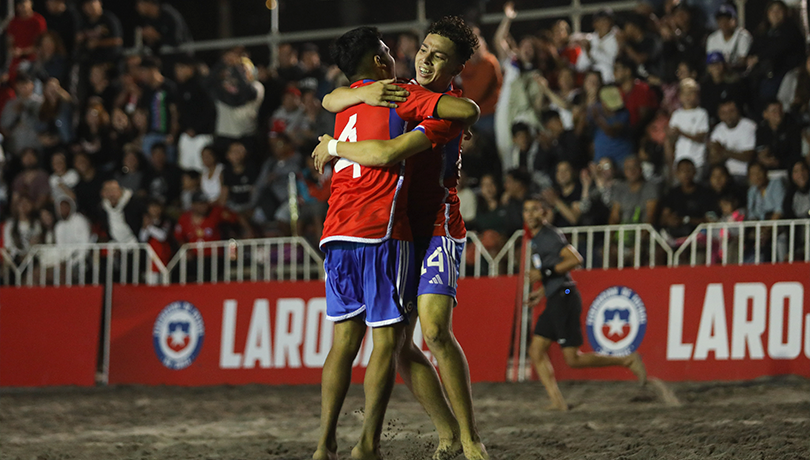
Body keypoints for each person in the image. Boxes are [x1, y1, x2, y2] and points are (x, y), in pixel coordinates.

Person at [308, 25, 481, 460]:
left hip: (436, 225)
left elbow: (464, 113)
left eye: (438, 56)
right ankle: (446, 435)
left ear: (457, 67)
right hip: (397, 227)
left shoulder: (442, 109)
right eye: (423, 49)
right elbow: (331, 97)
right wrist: (358, 95)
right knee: (398, 345)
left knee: (435, 331)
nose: (425, 59)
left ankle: (469, 437)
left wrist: (334, 144)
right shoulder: (398, 91)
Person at [523, 195, 646, 411]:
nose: (530, 214)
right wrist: (542, 291)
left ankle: (626, 360)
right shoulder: (537, 239)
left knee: (573, 359)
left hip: (566, 296)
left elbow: (576, 259)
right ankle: (557, 402)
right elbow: (557, 274)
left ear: (544, 213)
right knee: (536, 350)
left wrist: (544, 272)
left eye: (535, 209)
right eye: (527, 210)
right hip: (558, 295)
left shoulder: (548, 236)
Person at [666, 78, 709, 179]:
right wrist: (670, 134)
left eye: (691, 93)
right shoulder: (676, 114)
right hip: (679, 161)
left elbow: (701, 138)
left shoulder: (701, 113)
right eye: (685, 93)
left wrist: (681, 132)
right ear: (680, 96)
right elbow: (671, 140)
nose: (688, 97)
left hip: (697, 161)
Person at [709, 99, 757, 183]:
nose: (728, 116)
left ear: (738, 111)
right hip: (725, 177)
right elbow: (713, 160)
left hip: (746, 175)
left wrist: (723, 151)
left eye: (731, 111)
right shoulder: (718, 130)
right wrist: (733, 154)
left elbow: (748, 156)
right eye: (724, 113)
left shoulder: (749, 126)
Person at [706, 4, 752, 69]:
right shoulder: (712, 38)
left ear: (734, 20)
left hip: (737, 73)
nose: (724, 23)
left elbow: (743, 62)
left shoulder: (743, 36)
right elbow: (710, 62)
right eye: (721, 20)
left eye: (727, 19)